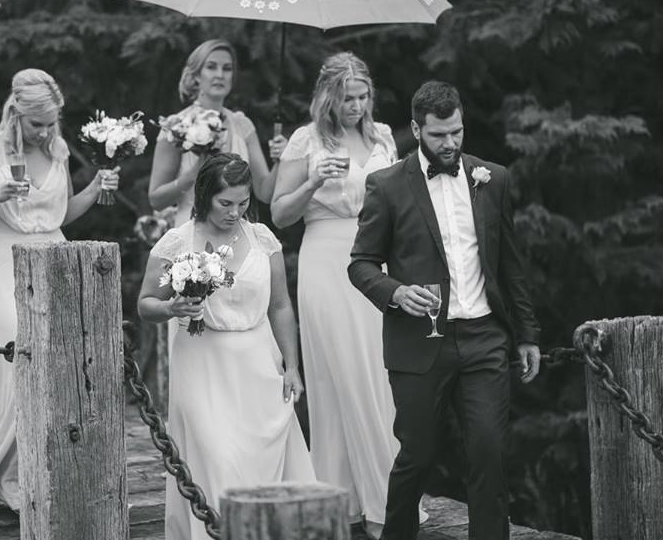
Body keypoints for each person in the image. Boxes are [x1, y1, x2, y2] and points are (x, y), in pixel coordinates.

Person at [348, 80, 541, 540]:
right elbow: (361, 264)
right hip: (418, 342)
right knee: (416, 456)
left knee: (489, 453)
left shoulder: (492, 179)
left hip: (484, 337)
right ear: (417, 130)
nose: (450, 143)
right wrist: (396, 292)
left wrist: (528, 334)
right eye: (438, 135)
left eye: (457, 132)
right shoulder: (387, 186)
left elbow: (510, 264)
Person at [0, 68, 119, 513]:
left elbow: (61, 213)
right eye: (38, 124)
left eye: (52, 123)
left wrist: (96, 187)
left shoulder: (58, 149)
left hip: (55, 260)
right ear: (16, 113)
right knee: (16, 352)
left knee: (56, 362)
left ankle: (32, 471)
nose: (46, 132)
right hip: (5, 260)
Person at [271, 52, 416, 539]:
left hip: (379, 261)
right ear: (328, 98)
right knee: (341, 379)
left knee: (380, 376)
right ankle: (352, 503)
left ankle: (386, 499)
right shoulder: (306, 140)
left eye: (362, 96)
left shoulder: (382, 137)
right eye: (348, 98)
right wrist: (314, 179)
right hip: (327, 259)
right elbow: (280, 214)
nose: (356, 106)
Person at [138, 153, 315, 540]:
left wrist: (292, 367)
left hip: (258, 363)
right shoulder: (178, 241)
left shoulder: (262, 238)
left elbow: (281, 306)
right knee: (216, 457)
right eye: (225, 203)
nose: (235, 212)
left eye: (243, 203)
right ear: (204, 195)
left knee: (259, 461)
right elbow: (145, 304)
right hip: (202, 364)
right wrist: (171, 307)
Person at [148, 39, 286, 356]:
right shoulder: (176, 127)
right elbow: (156, 198)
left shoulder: (243, 125)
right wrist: (192, 174)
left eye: (227, 68)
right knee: (195, 321)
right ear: (196, 74)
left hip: (238, 233)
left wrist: (281, 159)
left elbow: (264, 191)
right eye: (211, 67)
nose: (220, 74)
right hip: (193, 232)